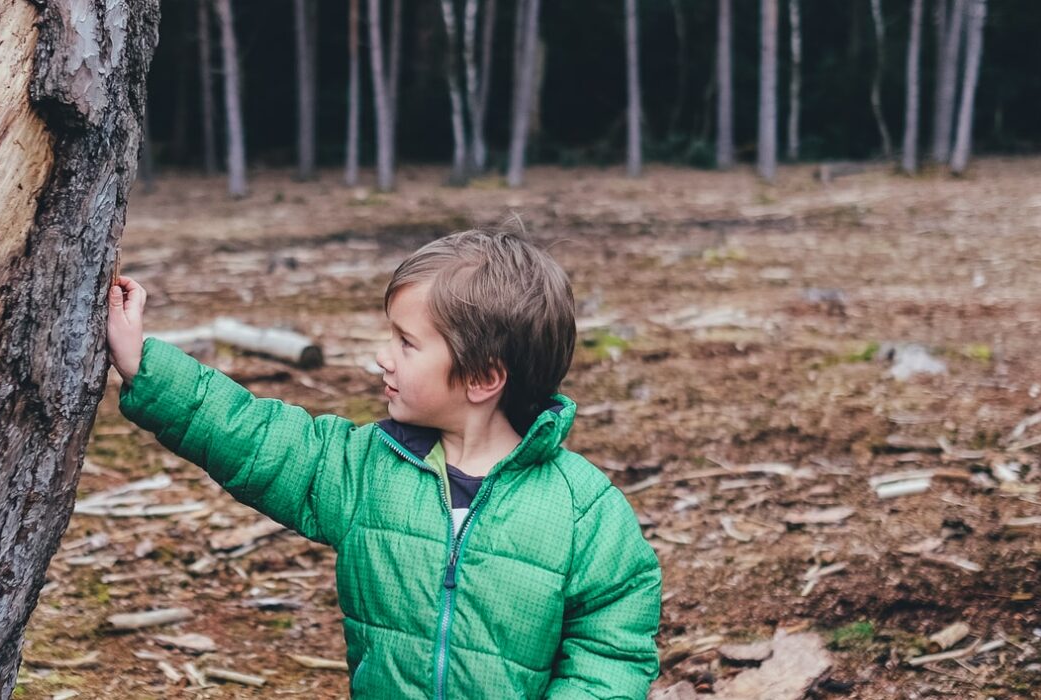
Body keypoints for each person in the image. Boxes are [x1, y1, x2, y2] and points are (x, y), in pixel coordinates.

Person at [105, 226, 660, 698]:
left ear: (483, 378)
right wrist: (144, 366)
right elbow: (253, 435)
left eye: (406, 343)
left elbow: (612, 651)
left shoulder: (584, 510)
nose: (380, 355)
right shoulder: (366, 467)